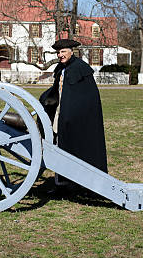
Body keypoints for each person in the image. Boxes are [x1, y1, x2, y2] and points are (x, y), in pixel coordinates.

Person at [40, 39, 108, 177]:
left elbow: (86, 97)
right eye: (58, 52)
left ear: (72, 52)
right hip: (61, 114)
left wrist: (72, 115)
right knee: (60, 146)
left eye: (63, 52)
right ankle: (61, 182)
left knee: (75, 149)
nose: (60, 55)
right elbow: (57, 91)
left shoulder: (80, 68)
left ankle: (78, 182)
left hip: (77, 118)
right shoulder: (61, 68)